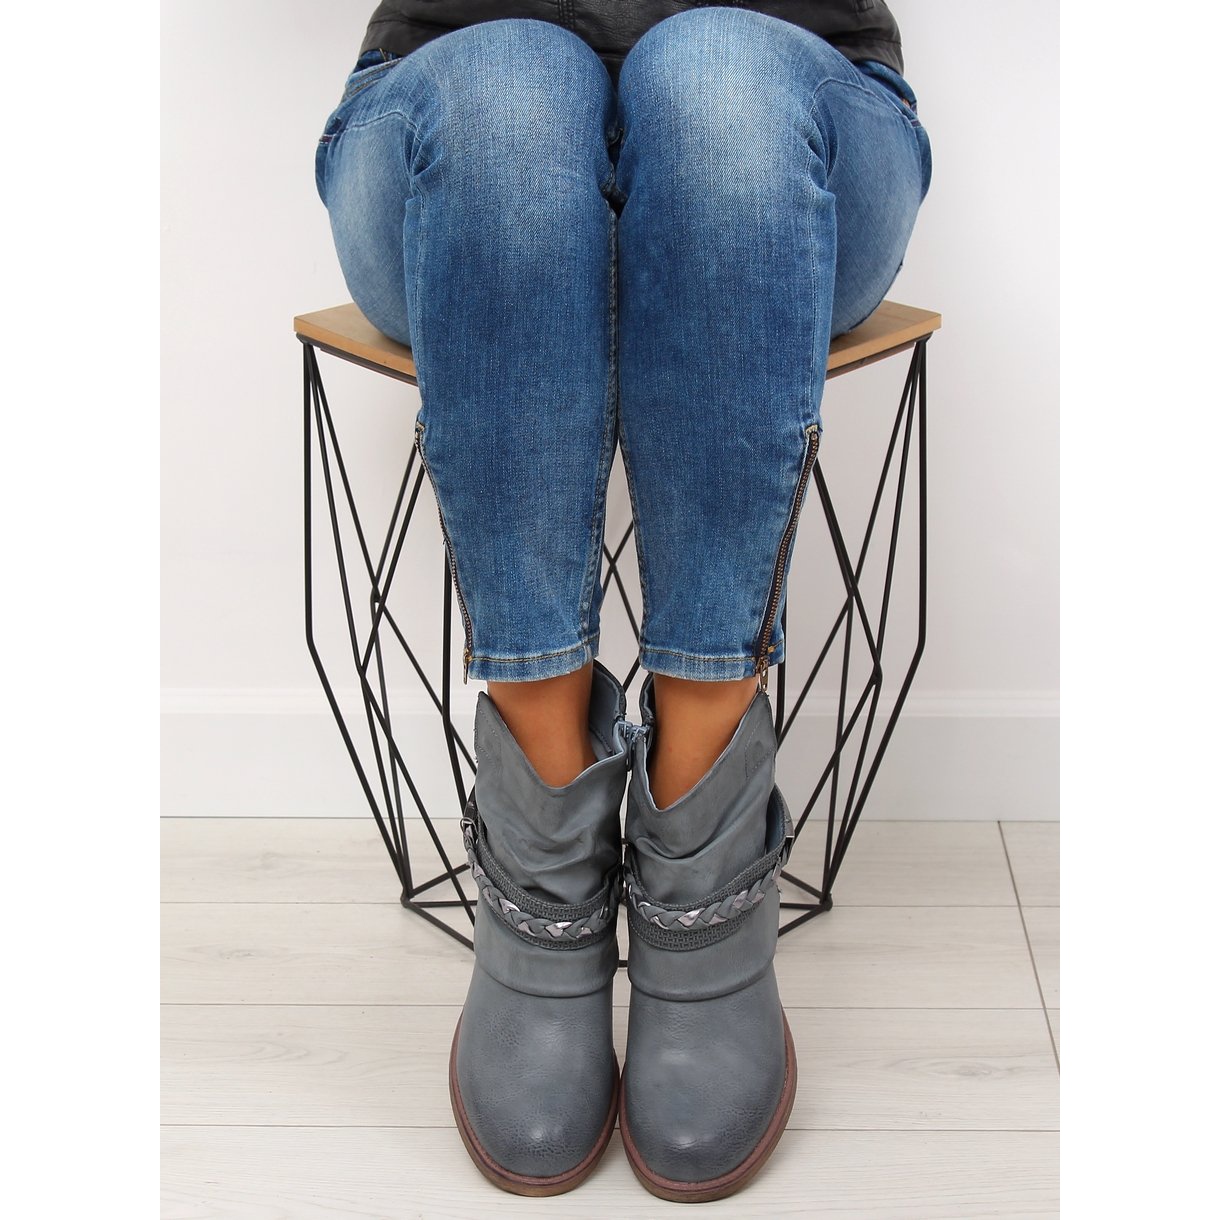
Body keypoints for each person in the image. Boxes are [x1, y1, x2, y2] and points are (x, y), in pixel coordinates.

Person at [314, 1, 931, 1201]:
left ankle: (702, 861)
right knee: (508, 89)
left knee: (713, 77)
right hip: (444, 117)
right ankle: (540, 870)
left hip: (793, 116)